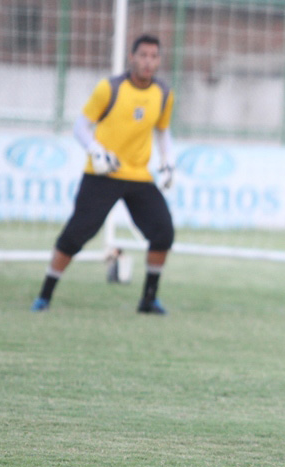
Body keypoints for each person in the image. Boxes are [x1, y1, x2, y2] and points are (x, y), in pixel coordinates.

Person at [31, 34, 176, 314]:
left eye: (153, 56)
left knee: (163, 233)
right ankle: (44, 295)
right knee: (75, 236)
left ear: (159, 60)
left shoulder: (164, 94)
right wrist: (96, 150)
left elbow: (163, 129)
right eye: (143, 55)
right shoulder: (109, 89)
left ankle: (148, 299)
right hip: (103, 175)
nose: (148, 62)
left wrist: (168, 161)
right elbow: (80, 127)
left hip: (139, 176)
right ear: (131, 57)